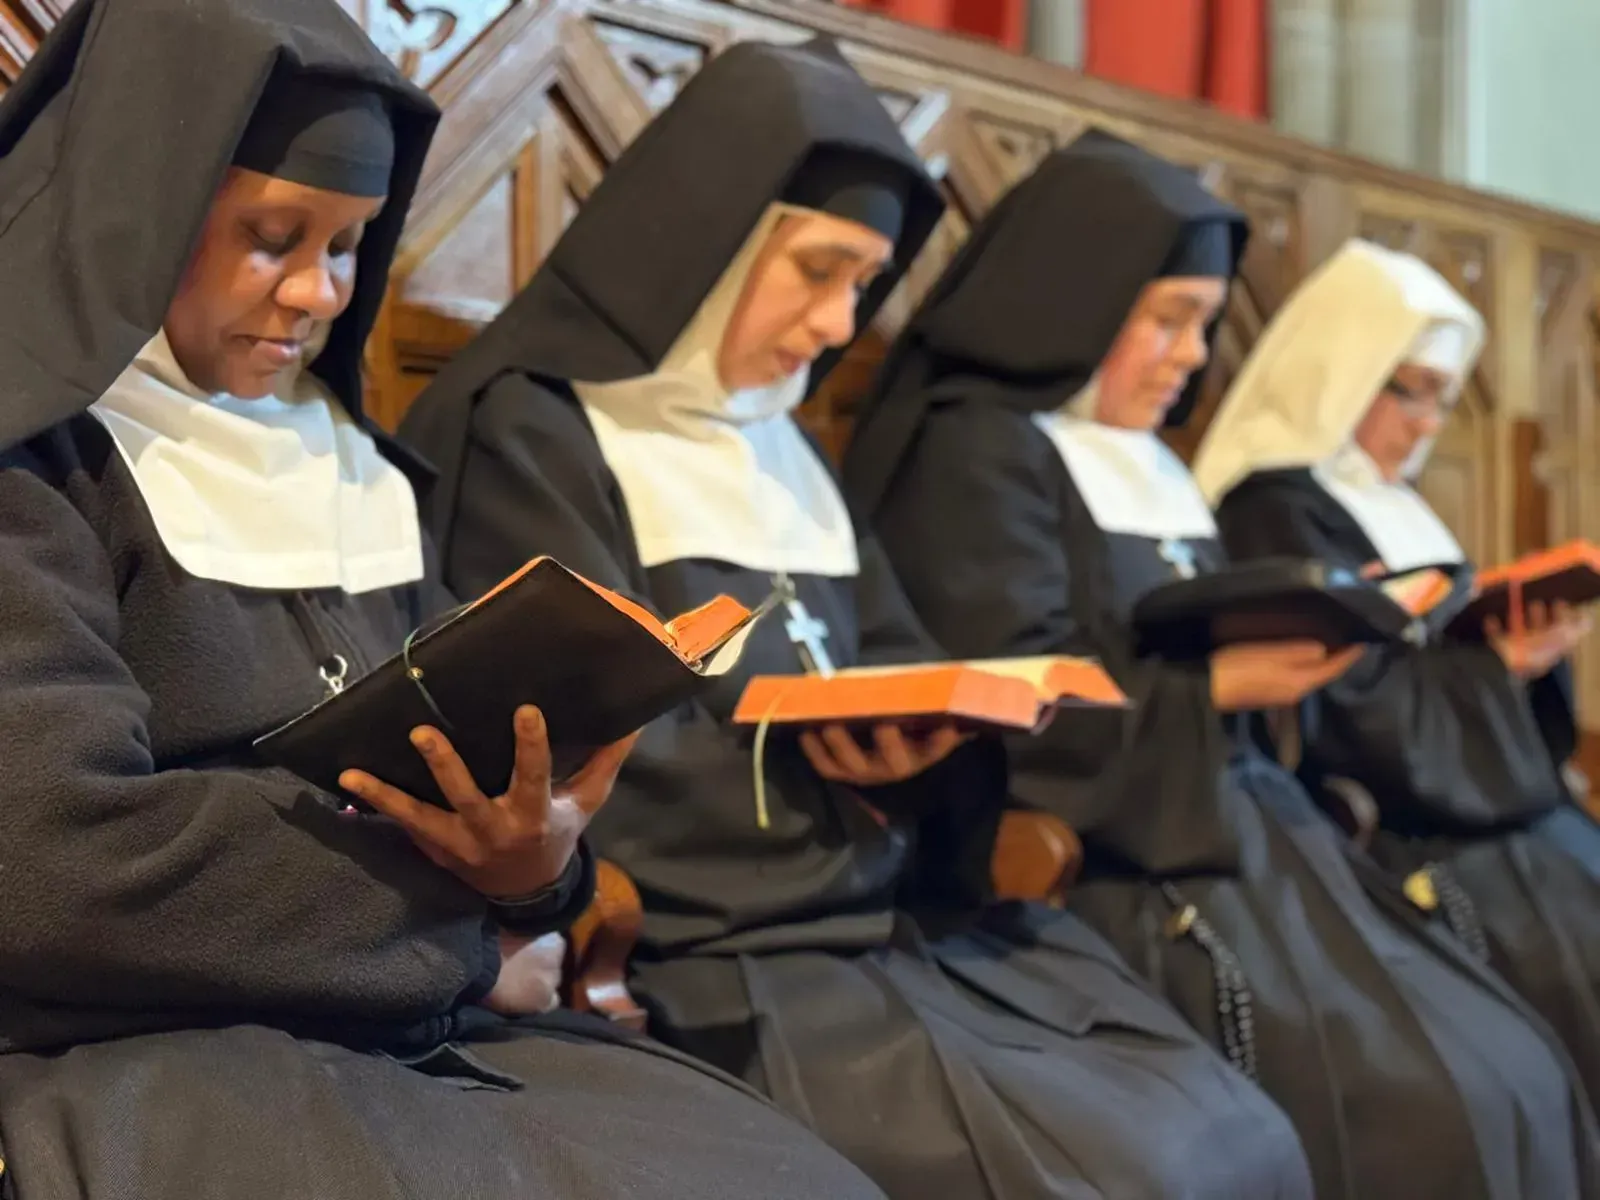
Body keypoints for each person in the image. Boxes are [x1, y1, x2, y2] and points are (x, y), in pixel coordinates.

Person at [0, 3, 901, 1197]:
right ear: (141, 211)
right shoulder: (36, 462)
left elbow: (477, 774)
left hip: (419, 1037)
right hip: (150, 1054)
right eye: (276, 237)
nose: (322, 293)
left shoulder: (346, 459)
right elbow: (58, 864)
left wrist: (536, 862)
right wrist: (464, 927)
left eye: (351, 243)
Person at [400, 39, 1315, 1200]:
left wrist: (924, 745)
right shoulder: (540, 432)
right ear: (711, 242)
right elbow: (581, 746)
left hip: (888, 928)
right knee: (1113, 1172)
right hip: (726, 958)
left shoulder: (780, 441)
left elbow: (897, 659)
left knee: (1230, 1125)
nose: (841, 322)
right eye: (820, 271)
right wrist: (816, 770)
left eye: (862, 284)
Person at [843, 130, 1600, 1199]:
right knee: (1426, 1106)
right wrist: (1220, 689)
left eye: (1202, 325)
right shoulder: (979, 450)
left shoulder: (1145, 460)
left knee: (1513, 1061)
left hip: (1258, 837)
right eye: (1171, 320)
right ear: (1080, 301)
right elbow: (1014, 698)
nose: (1193, 358)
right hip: (1122, 866)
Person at [1194, 237, 1600, 1086]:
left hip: (1499, 806)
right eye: (1409, 393)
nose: (1425, 425)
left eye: (1443, 402)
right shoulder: (1275, 510)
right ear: (1339, 374)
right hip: (1405, 826)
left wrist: (1514, 655)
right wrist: (1498, 672)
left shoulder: (1399, 509)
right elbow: (1348, 706)